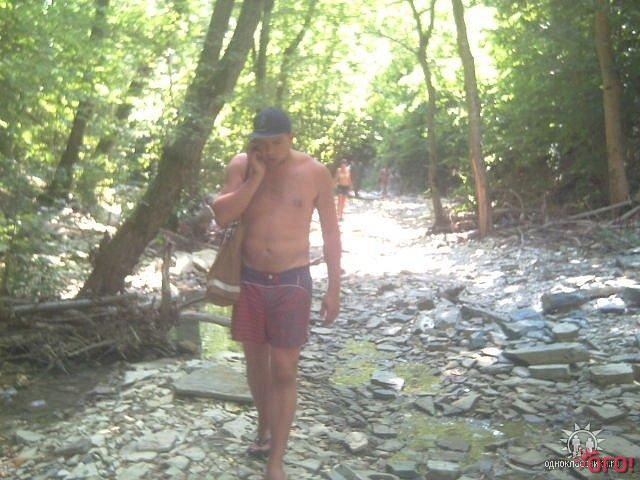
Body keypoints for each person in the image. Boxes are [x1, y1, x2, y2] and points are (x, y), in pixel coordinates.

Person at [212, 107, 341, 480]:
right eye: (262, 144)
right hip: (250, 278)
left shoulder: (314, 172)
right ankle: (264, 426)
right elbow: (221, 214)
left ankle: (276, 460)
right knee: (256, 365)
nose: (269, 151)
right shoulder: (242, 166)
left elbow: (330, 232)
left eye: (277, 143)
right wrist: (255, 178)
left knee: (283, 369)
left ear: (291, 138)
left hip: (292, 280)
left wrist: (334, 288)